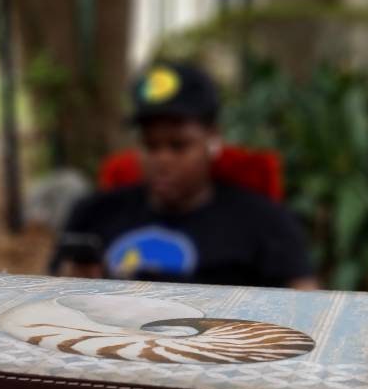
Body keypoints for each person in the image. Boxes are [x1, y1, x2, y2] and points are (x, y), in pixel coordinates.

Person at [50, 61, 319, 290]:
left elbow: (308, 308)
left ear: (213, 139)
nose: (161, 160)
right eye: (150, 146)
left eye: (178, 145)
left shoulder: (265, 222)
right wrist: (71, 288)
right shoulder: (94, 213)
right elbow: (45, 296)